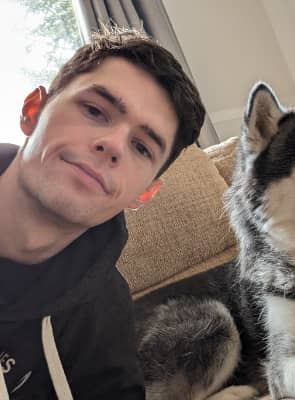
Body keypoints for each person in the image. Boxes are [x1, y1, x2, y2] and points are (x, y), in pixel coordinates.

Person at [0, 27, 205, 399]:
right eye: (95, 110)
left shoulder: (104, 312)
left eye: (141, 147)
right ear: (33, 110)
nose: (112, 145)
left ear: (144, 194)